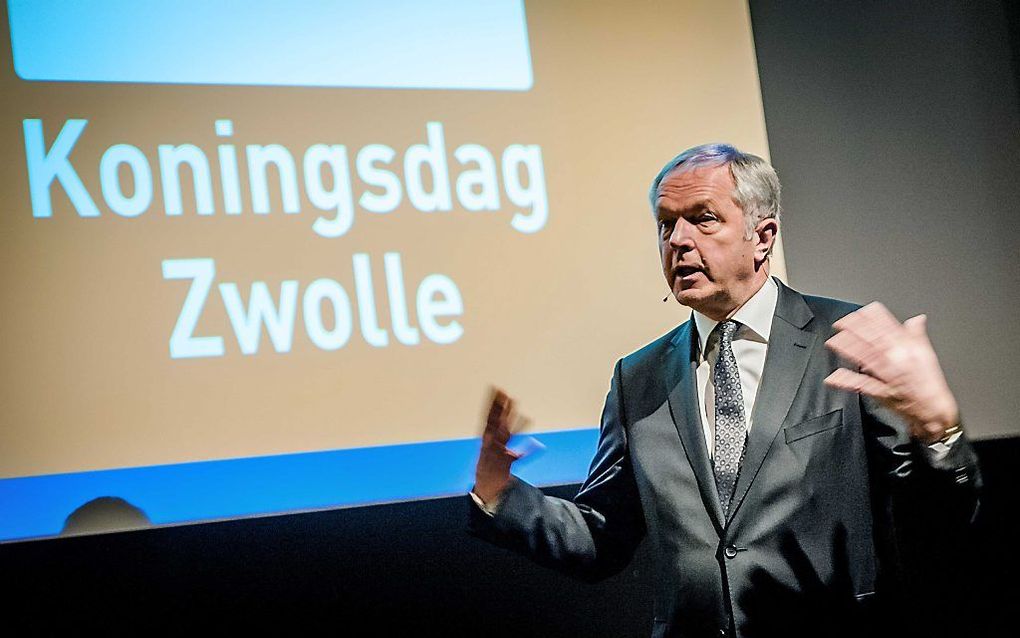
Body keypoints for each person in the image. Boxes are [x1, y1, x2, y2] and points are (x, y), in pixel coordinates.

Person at [466, 144, 981, 638]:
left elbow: (933, 530)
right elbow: (604, 534)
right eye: (666, 224)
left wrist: (938, 433)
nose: (678, 240)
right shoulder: (638, 378)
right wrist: (500, 496)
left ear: (763, 236)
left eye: (703, 218)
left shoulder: (847, 338)